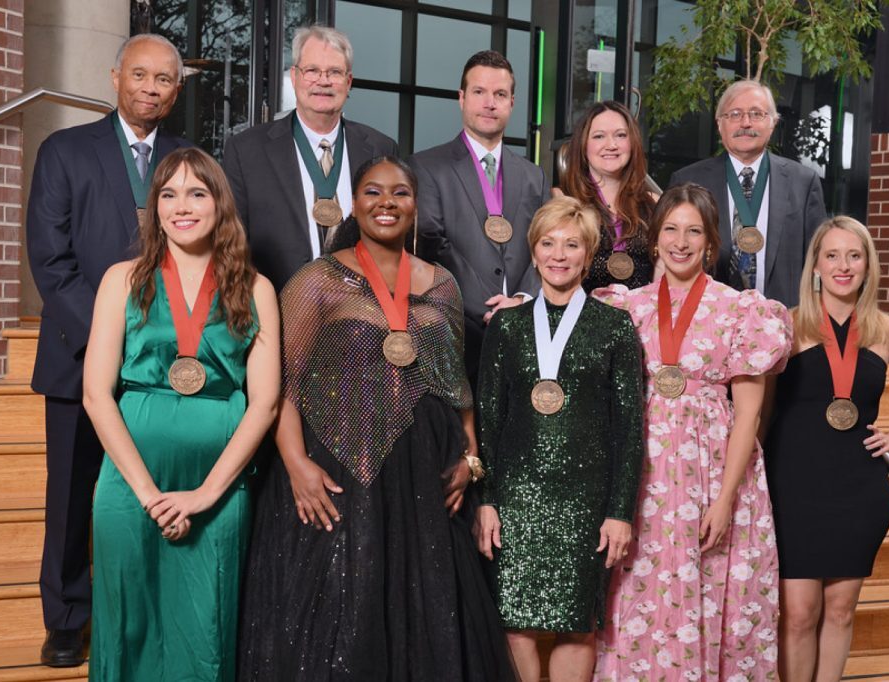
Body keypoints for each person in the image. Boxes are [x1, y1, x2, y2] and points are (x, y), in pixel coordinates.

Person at [238, 156, 516, 681]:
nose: (386, 203)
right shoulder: (318, 279)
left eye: (400, 193)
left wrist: (471, 459)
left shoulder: (444, 284)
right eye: (372, 191)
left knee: (425, 609)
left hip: (425, 480)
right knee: (345, 605)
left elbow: (458, 388)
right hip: (341, 469)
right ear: (355, 204)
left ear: (416, 205)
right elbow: (284, 385)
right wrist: (296, 465)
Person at [81, 147, 279, 681]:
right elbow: (97, 395)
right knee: (129, 627)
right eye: (168, 194)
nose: (181, 206)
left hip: (215, 488)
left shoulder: (256, 288)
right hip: (129, 485)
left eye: (197, 192)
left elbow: (265, 402)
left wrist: (205, 494)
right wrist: (148, 495)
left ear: (220, 204)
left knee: (206, 628)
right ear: (155, 206)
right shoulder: (121, 280)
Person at [25, 33, 189, 667]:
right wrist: (107, 342)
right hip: (79, 357)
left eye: (164, 80)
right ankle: (67, 616)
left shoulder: (189, 156)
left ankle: (148, 605)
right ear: (116, 76)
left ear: (177, 91)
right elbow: (51, 259)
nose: (151, 88)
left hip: (168, 365)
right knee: (70, 497)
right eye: (140, 75)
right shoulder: (65, 151)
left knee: (154, 489)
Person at [594, 183, 793, 680]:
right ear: (655, 239)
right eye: (670, 230)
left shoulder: (741, 310)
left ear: (710, 243)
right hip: (643, 476)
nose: (681, 242)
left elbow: (748, 414)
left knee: (711, 587)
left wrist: (725, 499)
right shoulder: (626, 307)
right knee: (639, 596)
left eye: (694, 231)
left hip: (714, 473)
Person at [475, 196, 644, 682]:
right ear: (532, 252)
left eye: (572, 245)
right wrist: (486, 499)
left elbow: (629, 428)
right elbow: (488, 417)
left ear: (589, 255)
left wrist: (619, 512)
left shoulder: (614, 327)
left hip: (586, 498)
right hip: (515, 497)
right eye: (548, 243)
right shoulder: (506, 326)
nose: (559, 254)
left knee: (577, 627)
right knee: (516, 625)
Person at [763, 216, 889, 682]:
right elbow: (756, 406)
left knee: (840, 611)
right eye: (833, 255)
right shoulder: (786, 324)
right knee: (799, 612)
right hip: (793, 483)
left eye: (854, 256)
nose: (844, 266)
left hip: (858, 486)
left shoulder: (886, 331)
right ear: (816, 265)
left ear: (867, 266)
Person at [223, 25, 398, 292]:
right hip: (278, 312)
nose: (323, 81)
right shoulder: (246, 151)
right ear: (294, 77)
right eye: (312, 71)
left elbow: (394, 241)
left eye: (335, 72)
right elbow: (231, 244)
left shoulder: (380, 148)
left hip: (362, 313)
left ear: (348, 82)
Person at [411, 50, 549, 386]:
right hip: (456, 334)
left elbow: (546, 245)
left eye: (500, 94)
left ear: (512, 103)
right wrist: (487, 309)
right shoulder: (426, 167)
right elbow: (432, 244)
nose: (490, 103)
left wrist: (519, 302)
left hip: (525, 334)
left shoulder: (535, 177)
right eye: (479, 92)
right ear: (461, 98)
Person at [669, 80, 827, 307]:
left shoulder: (802, 182)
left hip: (786, 319)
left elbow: (819, 258)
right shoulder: (687, 181)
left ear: (773, 123)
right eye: (734, 114)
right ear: (719, 124)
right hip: (706, 321)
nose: (745, 123)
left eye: (756, 114)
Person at [553, 100, 659, 291]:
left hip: (641, 316)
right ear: (583, 145)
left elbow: (663, 271)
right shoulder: (562, 201)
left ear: (632, 143)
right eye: (599, 136)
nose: (611, 145)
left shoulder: (654, 203)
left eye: (620, 135)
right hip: (581, 315)